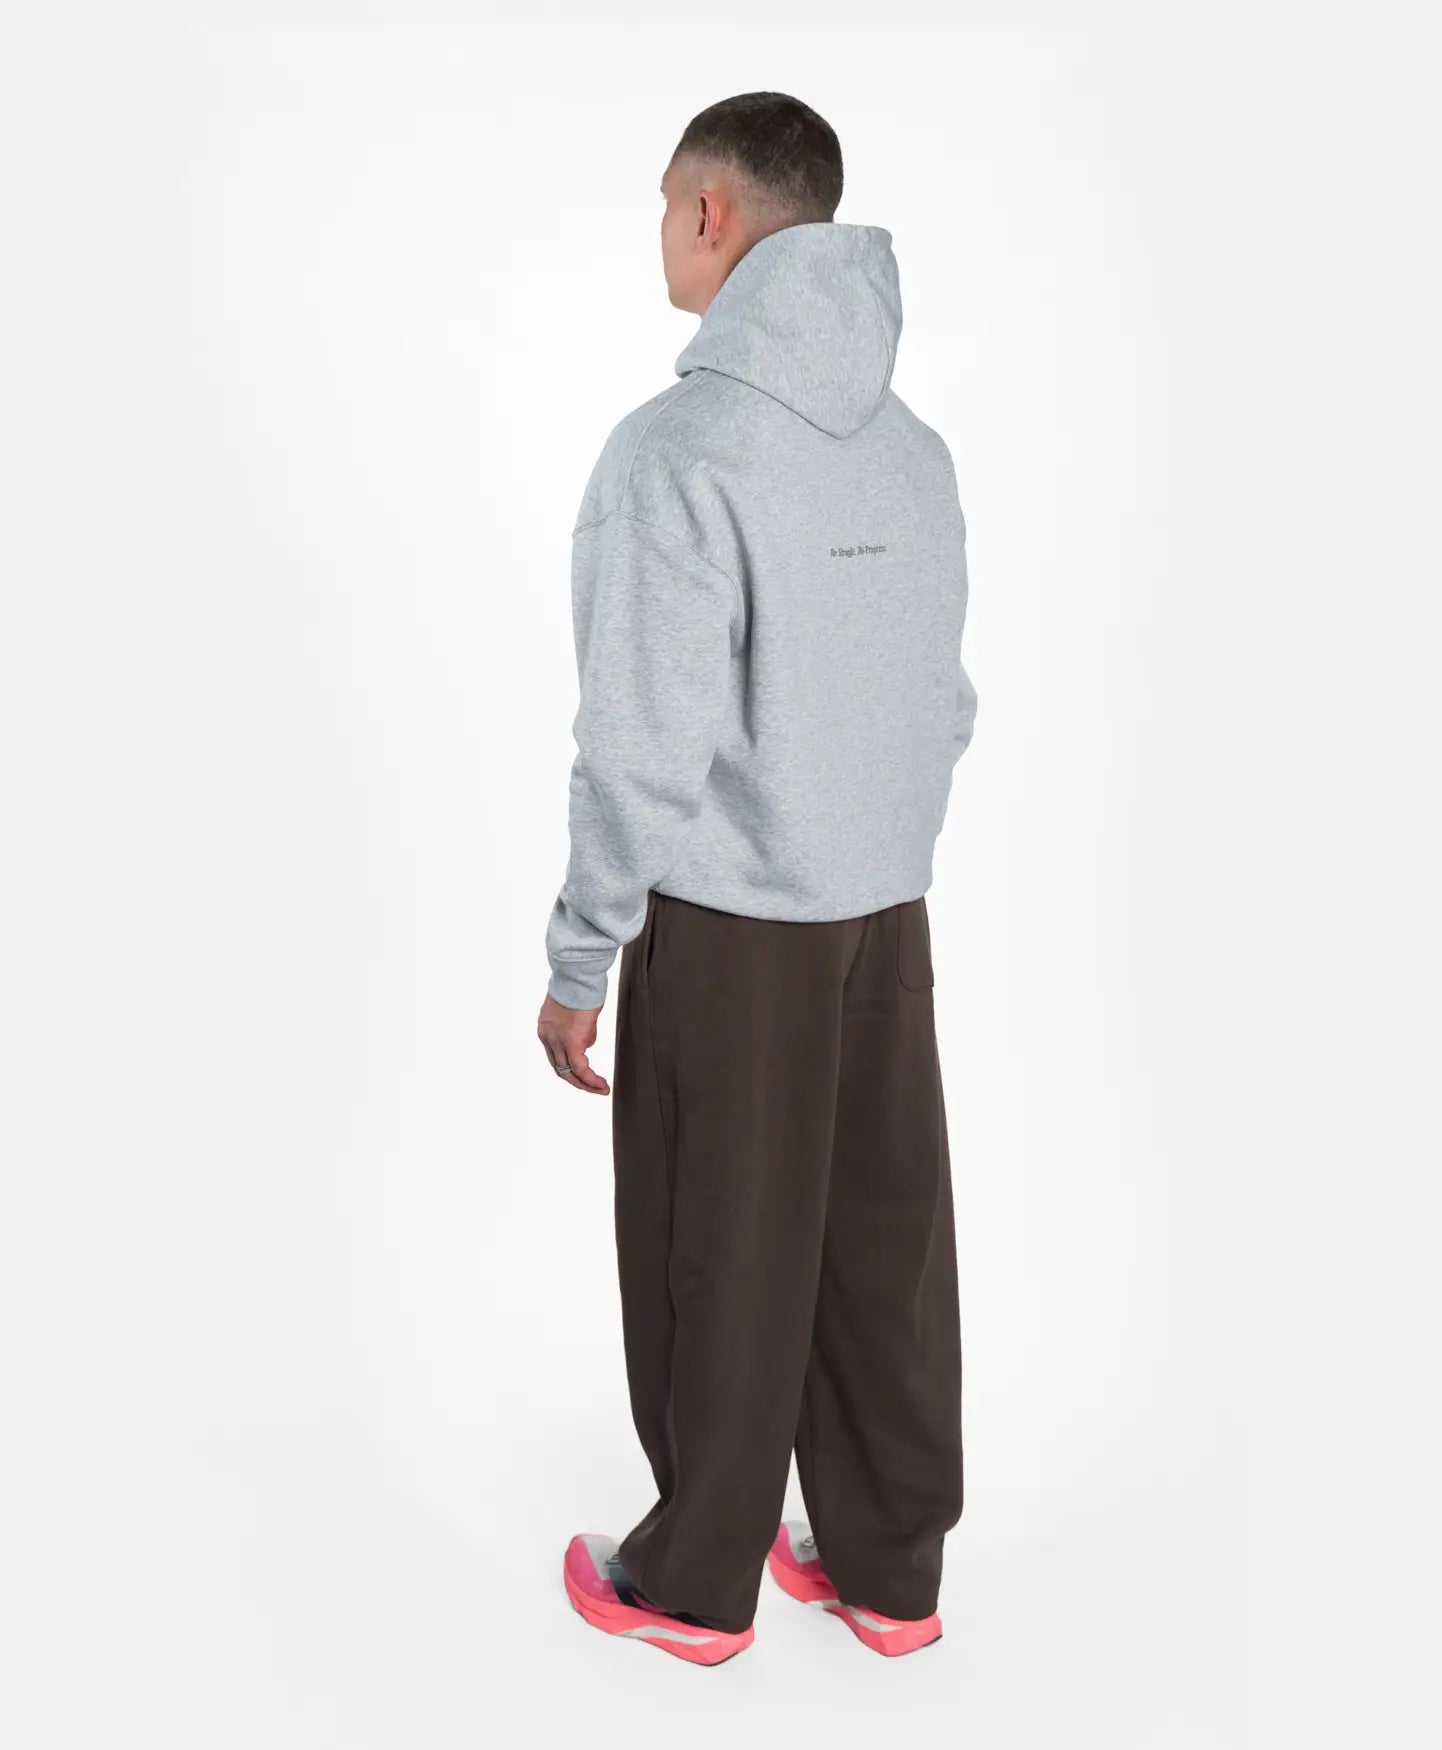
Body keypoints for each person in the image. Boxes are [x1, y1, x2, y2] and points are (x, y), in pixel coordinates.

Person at [538, 91, 978, 1665]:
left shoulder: (676, 454)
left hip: (731, 928)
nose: (663, 230)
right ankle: (888, 1570)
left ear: (712, 216)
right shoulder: (914, 455)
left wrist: (582, 952)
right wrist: (872, 841)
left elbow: (639, 742)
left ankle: (692, 1579)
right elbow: (944, 700)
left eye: (669, 203)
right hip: (886, 918)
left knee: (718, 1240)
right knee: (881, 1240)